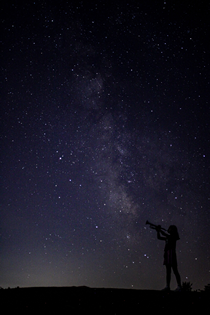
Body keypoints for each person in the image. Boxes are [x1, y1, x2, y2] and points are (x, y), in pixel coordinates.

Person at [156, 224, 182, 291]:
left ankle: (179, 286)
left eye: (170, 228)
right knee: (168, 271)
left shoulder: (174, 236)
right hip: (167, 254)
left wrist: (159, 230)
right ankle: (167, 286)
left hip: (171, 253)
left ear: (173, 230)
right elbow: (159, 237)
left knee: (175, 270)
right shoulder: (168, 237)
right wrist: (157, 231)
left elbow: (165, 235)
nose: (169, 229)